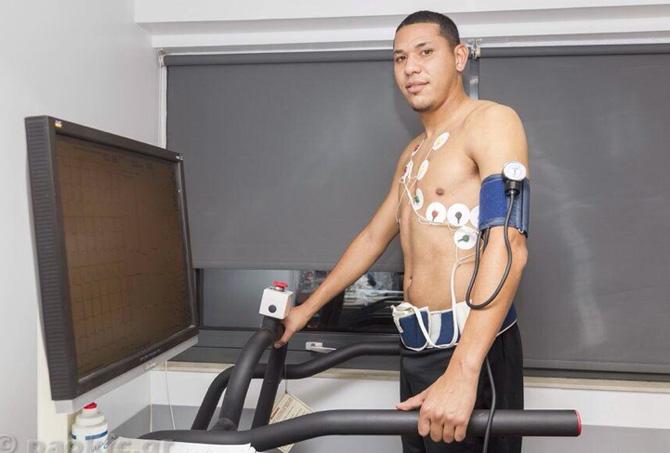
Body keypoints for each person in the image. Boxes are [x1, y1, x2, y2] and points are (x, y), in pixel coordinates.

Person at [274, 10, 528, 453]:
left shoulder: (491, 122)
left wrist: (463, 371)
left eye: (425, 52)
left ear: (459, 57)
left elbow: (509, 244)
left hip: (471, 349)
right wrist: (305, 310)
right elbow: (374, 237)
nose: (411, 67)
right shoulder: (413, 152)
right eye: (400, 58)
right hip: (417, 350)